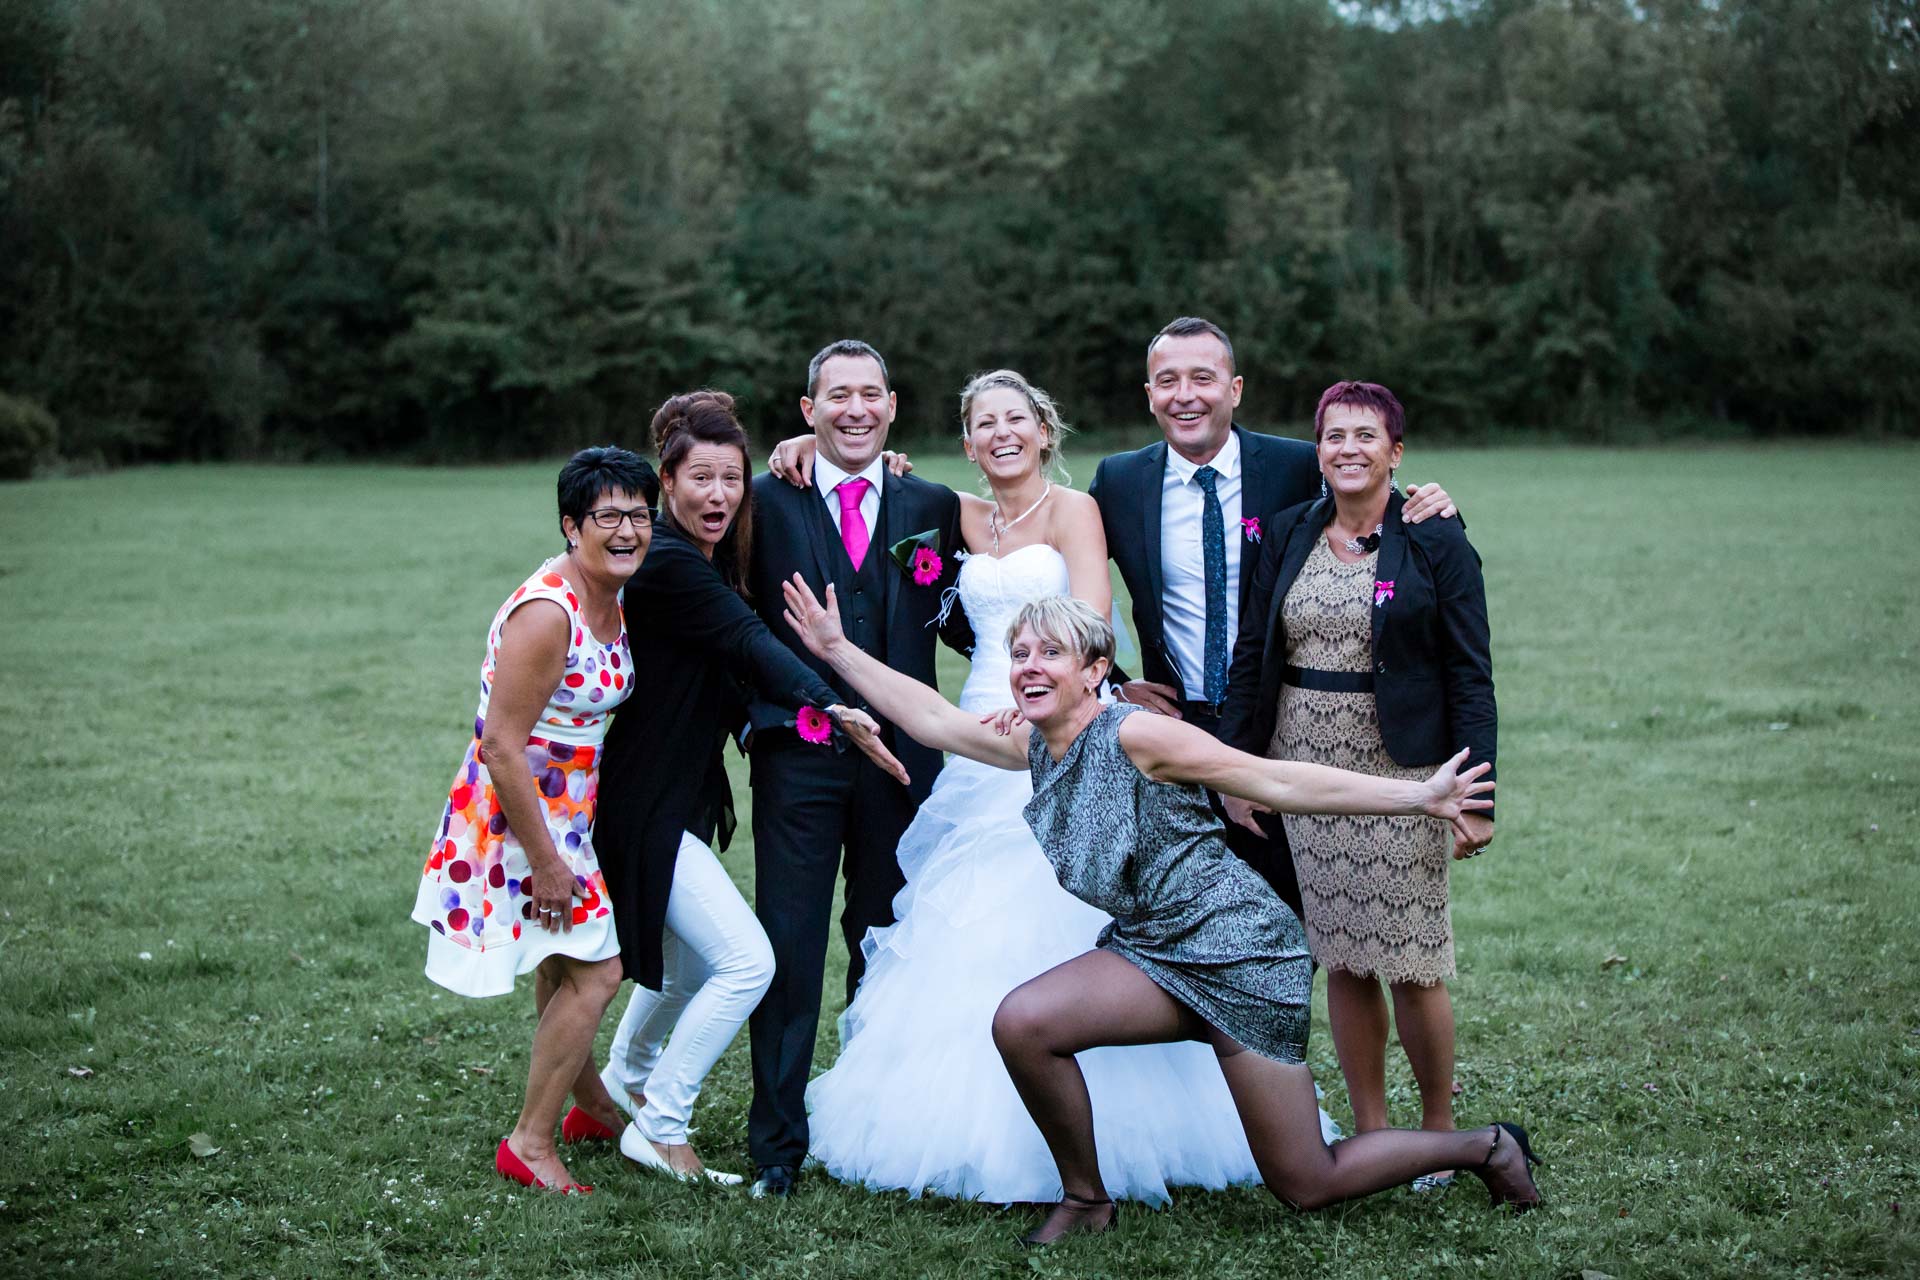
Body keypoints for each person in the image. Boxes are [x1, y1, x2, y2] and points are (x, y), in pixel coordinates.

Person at [779, 582, 1540, 1244]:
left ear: (1096, 670)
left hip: (1241, 952)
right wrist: (837, 650)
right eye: (1020, 655)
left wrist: (1419, 797)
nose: (1030, 668)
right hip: (1153, 947)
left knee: (1308, 1182)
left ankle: (1485, 1147)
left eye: (1051, 654)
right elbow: (935, 720)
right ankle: (1085, 1198)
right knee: (1025, 1022)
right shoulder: (1039, 745)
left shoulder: (1135, 734)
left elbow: (1270, 779)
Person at [792, 370, 1330, 1204]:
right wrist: (802, 446)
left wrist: (1041, 695)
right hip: (981, 732)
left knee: (1064, 913)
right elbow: (862, 472)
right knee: (967, 923)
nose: (1001, 434)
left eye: (1016, 420)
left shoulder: (1076, 512)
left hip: (1053, 711)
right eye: (982, 424)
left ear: (1043, 431)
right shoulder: (952, 514)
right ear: (966, 443)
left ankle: (1119, 1135)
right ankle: (966, 1126)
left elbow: (1089, 621)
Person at [585, 392, 905, 1185]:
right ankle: (659, 1122)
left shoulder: (704, 555)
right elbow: (747, 638)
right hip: (642, 803)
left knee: (687, 967)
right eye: (701, 478)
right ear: (666, 480)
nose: (719, 495)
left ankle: (629, 1077)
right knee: (746, 964)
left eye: (733, 478)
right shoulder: (665, 561)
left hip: (674, 799)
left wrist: (821, 448)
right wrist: (832, 702)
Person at [1220, 380, 1495, 1188]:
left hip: (1406, 765)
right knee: (1341, 954)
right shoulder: (1288, 532)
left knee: (1413, 957)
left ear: (1395, 452)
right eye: (1333, 435)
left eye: (1366, 436)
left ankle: (1439, 1132)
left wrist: (1475, 796)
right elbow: (1250, 656)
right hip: (1305, 759)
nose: (1348, 449)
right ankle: (1376, 1133)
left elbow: (1471, 675)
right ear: (1318, 451)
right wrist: (1241, 769)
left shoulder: (1435, 537)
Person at [1089, 317, 1459, 917]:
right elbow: (1061, 583)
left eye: (1202, 378)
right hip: (1170, 728)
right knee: (1180, 916)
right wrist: (1110, 681)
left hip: (1281, 726)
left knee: (1291, 912)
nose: (1185, 395)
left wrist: (1433, 503)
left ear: (1234, 389)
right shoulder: (1121, 480)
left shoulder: (1293, 468)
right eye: (1167, 381)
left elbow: (1368, 486)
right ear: (1149, 394)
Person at [741, 341, 976, 1198]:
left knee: (883, 938)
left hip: (905, 765)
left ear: (891, 405)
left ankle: (873, 1121)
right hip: (797, 758)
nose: (854, 410)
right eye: (835, 396)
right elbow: (738, 621)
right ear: (807, 411)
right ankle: (777, 1145)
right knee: (790, 946)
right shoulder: (765, 500)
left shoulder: (931, 501)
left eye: (869, 395)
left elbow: (960, 619)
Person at [410, 446, 657, 1195]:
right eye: (606, 517)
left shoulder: (612, 593)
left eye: (639, 516)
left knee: (562, 963)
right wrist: (548, 860)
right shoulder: (549, 613)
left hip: (569, 809)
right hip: (520, 816)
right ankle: (531, 1142)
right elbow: (500, 744)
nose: (626, 531)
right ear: (570, 524)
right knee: (598, 972)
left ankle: (585, 1108)